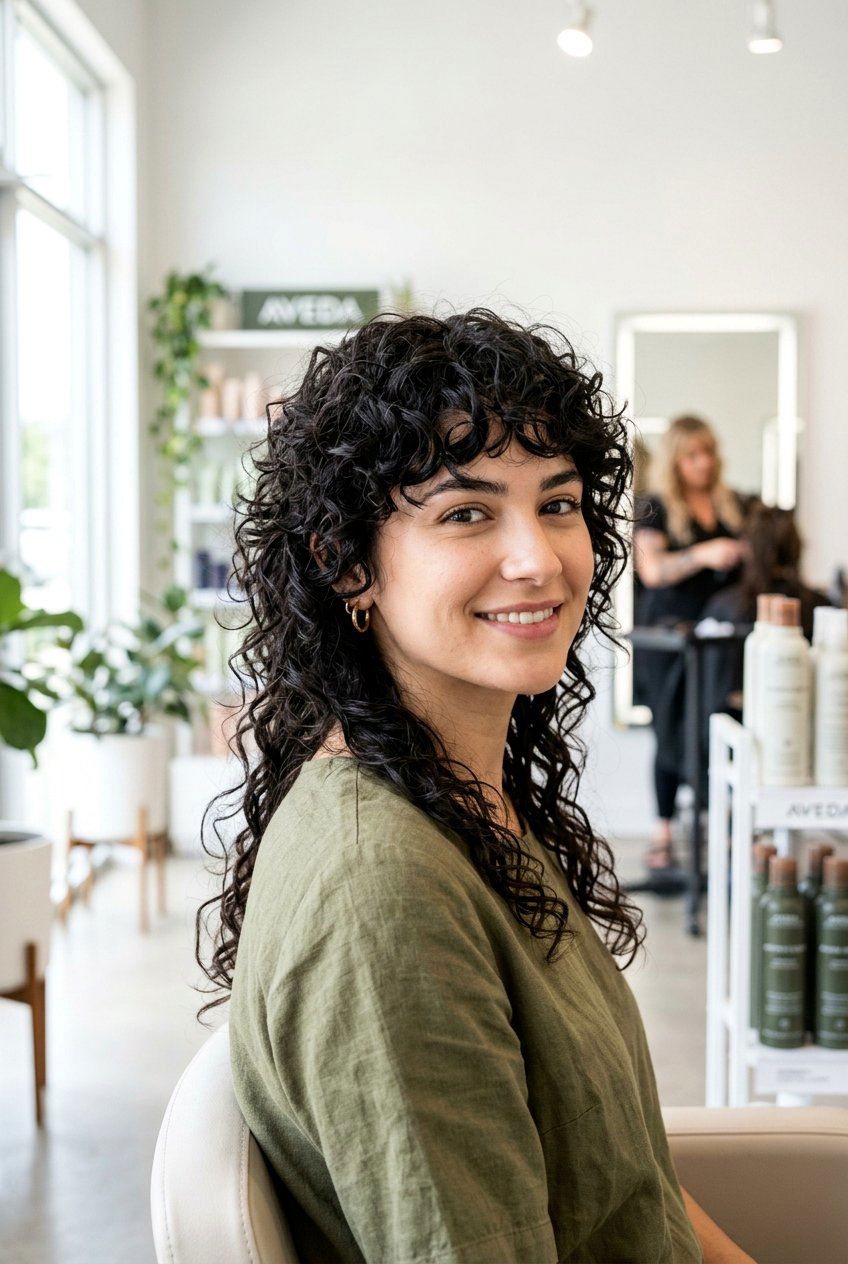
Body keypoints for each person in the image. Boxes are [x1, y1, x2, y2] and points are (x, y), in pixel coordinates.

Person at [198, 311, 755, 1263]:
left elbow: (631, 1187)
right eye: (466, 512)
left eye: (559, 502)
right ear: (345, 563)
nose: (539, 558)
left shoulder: (460, 796)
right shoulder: (386, 895)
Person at [633, 415, 747, 873]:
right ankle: (663, 831)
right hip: (667, 640)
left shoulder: (732, 505)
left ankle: (720, 822)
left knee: (717, 725)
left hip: (716, 640)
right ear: (676, 459)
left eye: (710, 452)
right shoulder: (654, 505)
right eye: (694, 454)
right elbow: (653, 572)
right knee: (670, 728)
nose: (705, 462)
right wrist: (703, 554)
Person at [700, 501, 831, 721]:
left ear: (748, 547)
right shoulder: (821, 607)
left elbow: (709, 693)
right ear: (796, 546)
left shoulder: (724, 607)